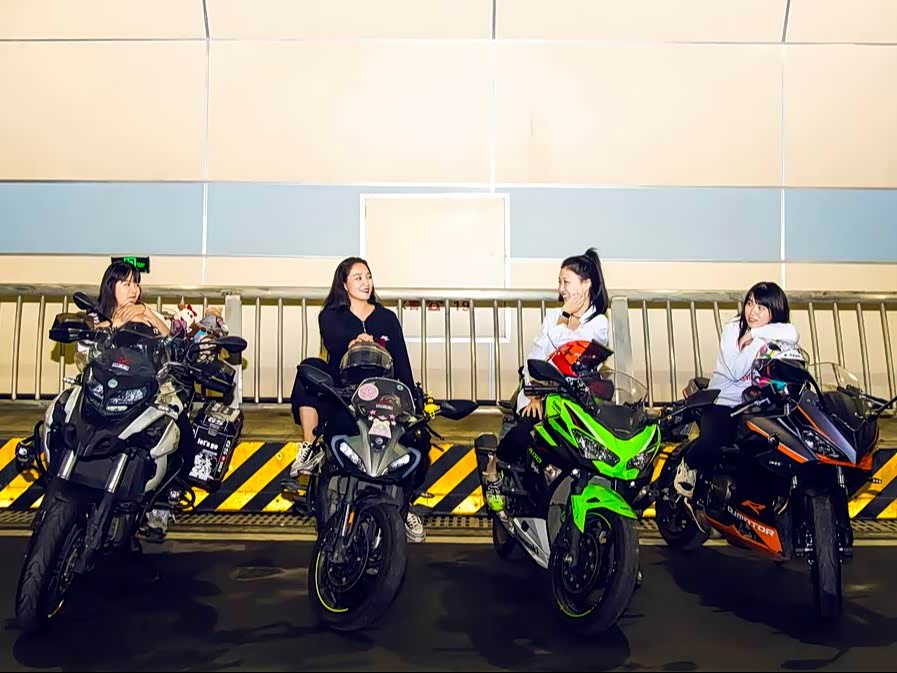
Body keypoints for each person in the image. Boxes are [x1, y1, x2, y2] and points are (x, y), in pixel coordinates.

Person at [288, 257, 425, 541]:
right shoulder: (330, 316)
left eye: (368, 277)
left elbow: (402, 362)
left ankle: (405, 504)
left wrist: (413, 402)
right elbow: (334, 342)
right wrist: (354, 342)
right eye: (358, 278)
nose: (366, 283)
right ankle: (309, 447)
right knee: (308, 370)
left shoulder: (387, 318)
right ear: (344, 283)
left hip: (382, 398)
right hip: (344, 394)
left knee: (420, 439)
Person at [483, 248, 611, 512]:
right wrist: (534, 394)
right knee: (523, 435)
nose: (561, 288)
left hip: (576, 400)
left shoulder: (599, 323)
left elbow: (571, 350)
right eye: (559, 282)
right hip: (542, 392)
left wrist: (563, 323)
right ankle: (493, 469)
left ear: (586, 284)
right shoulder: (554, 317)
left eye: (566, 282)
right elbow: (537, 356)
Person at [674, 281, 800, 500]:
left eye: (761, 307)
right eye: (750, 304)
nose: (752, 312)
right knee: (715, 441)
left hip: (756, 404)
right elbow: (736, 371)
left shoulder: (773, 332)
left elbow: (793, 332)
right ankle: (689, 464)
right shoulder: (733, 328)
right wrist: (758, 339)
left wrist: (756, 334)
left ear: (775, 311)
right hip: (724, 400)